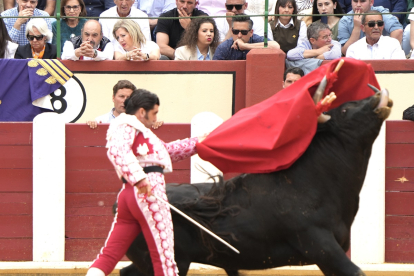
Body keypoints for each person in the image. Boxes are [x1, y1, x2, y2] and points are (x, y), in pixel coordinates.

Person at [85, 89, 204, 276]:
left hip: (130, 196)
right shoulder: (125, 125)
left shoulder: (141, 132)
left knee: (109, 254)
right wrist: (140, 179)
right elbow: (118, 152)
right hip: (148, 193)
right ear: (142, 112)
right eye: (154, 113)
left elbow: (167, 151)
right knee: (164, 258)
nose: (156, 118)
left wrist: (198, 143)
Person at [87, 80, 163, 129]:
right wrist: (91, 125)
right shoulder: (101, 121)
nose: (125, 101)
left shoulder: (142, 119)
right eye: (121, 96)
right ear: (113, 98)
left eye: (128, 97)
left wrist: (155, 122)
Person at [337, 0, 403, 56]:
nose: (358, 5)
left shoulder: (380, 12)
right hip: (360, 58)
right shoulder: (344, 20)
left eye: (363, 1)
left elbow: (398, 31)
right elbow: (345, 51)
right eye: (355, 1)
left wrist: (385, 52)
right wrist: (357, 28)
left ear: (371, 2)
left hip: (383, 56)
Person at [213, 15, 280, 60]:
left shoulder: (256, 39)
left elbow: (276, 46)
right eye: (235, 31)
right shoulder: (224, 47)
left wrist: (245, 46)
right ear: (231, 31)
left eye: (244, 32)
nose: (239, 35)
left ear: (251, 32)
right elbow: (214, 70)